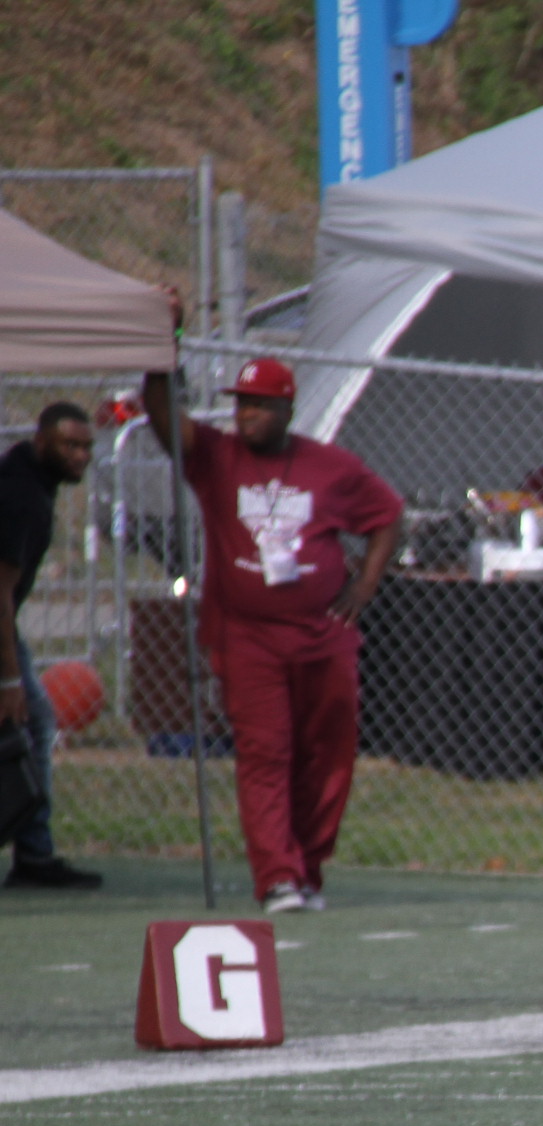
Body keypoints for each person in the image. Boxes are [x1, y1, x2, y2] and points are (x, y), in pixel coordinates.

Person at [143, 343, 401, 913]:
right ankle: (277, 876)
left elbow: (387, 515)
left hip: (323, 635)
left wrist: (365, 585)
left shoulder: (330, 466)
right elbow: (163, 418)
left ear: (288, 410)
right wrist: (164, 349)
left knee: (327, 756)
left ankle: (308, 869)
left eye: (260, 406)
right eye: (241, 405)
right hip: (248, 637)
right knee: (266, 753)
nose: (247, 416)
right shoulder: (217, 458)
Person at [0, 403, 103, 889]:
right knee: (33, 718)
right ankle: (34, 853)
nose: (80, 456)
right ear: (42, 441)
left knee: (35, 721)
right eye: (70, 445)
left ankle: (34, 851)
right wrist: (9, 679)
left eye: (86, 447)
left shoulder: (34, 484)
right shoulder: (20, 494)